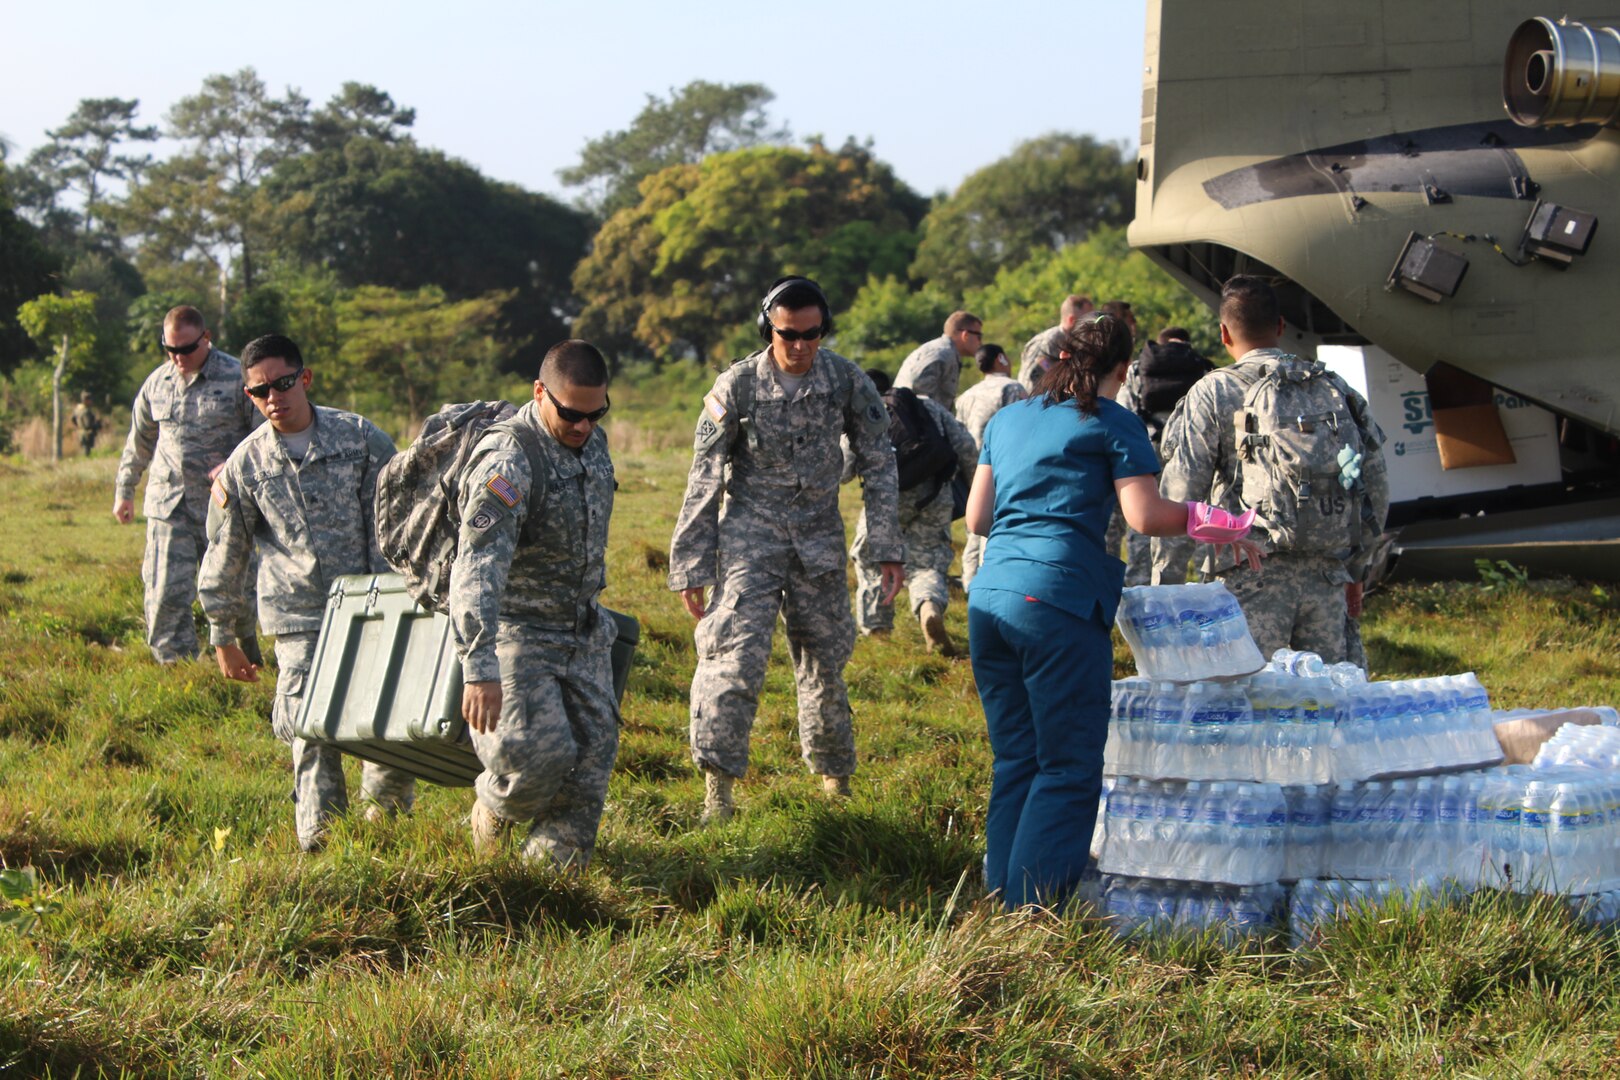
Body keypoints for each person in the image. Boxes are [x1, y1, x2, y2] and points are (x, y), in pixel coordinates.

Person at [965, 314, 1261, 910]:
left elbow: (977, 519)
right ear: (1124, 369)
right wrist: (1225, 522)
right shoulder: (1113, 422)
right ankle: (1031, 912)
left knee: (1016, 757)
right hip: (1057, 602)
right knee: (1067, 765)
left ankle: (999, 894)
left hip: (989, 597)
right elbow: (1146, 516)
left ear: (1062, 354)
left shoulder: (1009, 417)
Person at [669, 277, 901, 823]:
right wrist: (692, 563)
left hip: (818, 538)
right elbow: (705, 475)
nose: (799, 346)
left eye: (811, 334)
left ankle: (835, 786)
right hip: (750, 536)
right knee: (733, 659)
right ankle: (718, 795)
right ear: (767, 329)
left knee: (826, 662)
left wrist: (886, 546)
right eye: (787, 334)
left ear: (824, 330)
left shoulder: (847, 380)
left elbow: (879, 460)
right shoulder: (738, 385)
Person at [198, 334, 416, 852]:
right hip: (299, 619)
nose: (274, 397)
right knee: (311, 733)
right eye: (259, 392)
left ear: (305, 378)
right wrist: (223, 632)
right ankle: (322, 850)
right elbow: (225, 551)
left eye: (283, 383)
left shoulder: (361, 438)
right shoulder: (246, 464)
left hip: (375, 608)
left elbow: (405, 523)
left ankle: (385, 843)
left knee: (384, 725)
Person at [1153, 275, 1389, 663]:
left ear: (1224, 333)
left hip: (1247, 577)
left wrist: (1166, 591)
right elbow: (1375, 483)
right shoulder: (1330, 386)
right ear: (1280, 327)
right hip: (1326, 577)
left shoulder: (1213, 392)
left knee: (1252, 706)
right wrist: (1356, 570)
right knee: (1330, 705)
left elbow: (1181, 495)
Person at [449, 340, 620, 870]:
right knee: (537, 758)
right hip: (518, 632)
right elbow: (477, 566)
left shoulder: (593, 444)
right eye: (571, 414)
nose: (583, 426)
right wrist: (478, 667)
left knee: (593, 756)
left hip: (584, 631)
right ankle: (492, 810)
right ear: (539, 391)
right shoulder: (508, 461)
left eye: (596, 414)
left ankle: (550, 881)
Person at [115, 306, 262, 665]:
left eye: (185, 349)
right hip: (170, 506)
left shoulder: (236, 377)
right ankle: (176, 668)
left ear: (206, 338)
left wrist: (235, 464)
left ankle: (248, 654)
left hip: (224, 506)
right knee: (165, 592)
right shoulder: (157, 383)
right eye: (170, 350)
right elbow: (140, 441)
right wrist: (125, 490)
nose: (177, 358)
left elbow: (264, 434)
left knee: (236, 591)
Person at [850, 368, 979, 654]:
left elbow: (844, 465)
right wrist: (974, 488)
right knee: (929, 560)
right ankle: (928, 608)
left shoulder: (861, 410)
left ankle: (878, 631)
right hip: (934, 492)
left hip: (885, 498)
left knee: (872, 559)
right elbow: (966, 446)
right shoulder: (925, 405)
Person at [1104, 326, 1215, 585]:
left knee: (1144, 518)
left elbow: (1125, 411)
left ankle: (1142, 585)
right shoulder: (1204, 368)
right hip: (1188, 455)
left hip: (1147, 449)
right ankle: (1203, 583)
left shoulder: (1137, 368)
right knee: (1194, 514)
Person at [952, 343, 1027, 592]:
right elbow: (1020, 428)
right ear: (1001, 359)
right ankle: (992, 583)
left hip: (971, 467)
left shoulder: (966, 396)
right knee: (995, 528)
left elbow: (957, 432)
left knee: (973, 528)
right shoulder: (1012, 388)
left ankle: (970, 584)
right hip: (1001, 466)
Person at [893, 310, 983, 412]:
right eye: (979, 336)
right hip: (914, 424)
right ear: (965, 335)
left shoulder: (938, 350)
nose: (981, 342)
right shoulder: (943, 356)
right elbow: (919, 399)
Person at [1018, 294, 1093, 393]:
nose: (1091, 324)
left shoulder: (1069, 339)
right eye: (1087, 320)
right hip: (1033, 400)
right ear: (1072, 320)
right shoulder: (1049, 340)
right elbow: (1039, 368)